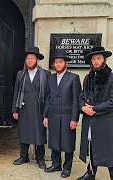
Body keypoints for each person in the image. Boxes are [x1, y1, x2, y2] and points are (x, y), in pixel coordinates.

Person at [43, 49, 81, 178]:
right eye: (56, 62)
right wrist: (46, 115)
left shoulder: (73, 78)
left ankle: (67, 167)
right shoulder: (51, 78)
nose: (58, 64)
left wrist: (74, 118)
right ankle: (56, 164)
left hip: (67, 116)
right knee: (54, 141)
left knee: (68, 143)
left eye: (60, 62)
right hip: (53, 115)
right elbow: (48, 98)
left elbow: (76, 100)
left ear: (66, 63)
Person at [77, 47, 113, 180]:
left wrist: (94, 109)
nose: (96, 61)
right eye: (94, 59)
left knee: (109, 151)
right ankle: (91, 173)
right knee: (91, 146)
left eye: (99, 58)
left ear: (105, 59)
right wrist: (82, 108)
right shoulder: (87, 78)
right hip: (90, 120)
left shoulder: (111, 78)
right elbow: (81, 97)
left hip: (105, 121)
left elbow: (111, 101)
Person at [12, 46, 50, 169]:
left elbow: (49, 95)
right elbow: (17, 92)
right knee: (24, 132)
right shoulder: (20, 74)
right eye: (28, 58)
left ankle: (40, 158)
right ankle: (24, 156)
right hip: (24, 108)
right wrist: (15, 110)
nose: (29, 61)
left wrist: (47, 113)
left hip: (39, 109)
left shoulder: (46, 74)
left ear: (37, 60)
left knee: (39, 134)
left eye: (32, 58)